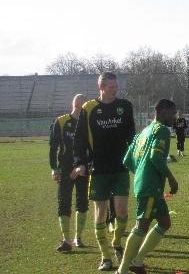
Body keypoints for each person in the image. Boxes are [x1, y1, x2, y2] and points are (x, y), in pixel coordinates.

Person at [71, 72, 136, 271]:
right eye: (110, 87)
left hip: (120, 167)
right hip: (98, 169)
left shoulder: (124, 106)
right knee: (100, 212)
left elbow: (131, 136)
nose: (114, 89)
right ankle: (105, 256)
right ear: (101, 87)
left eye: (116, 86)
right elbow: (79, 140)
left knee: (122, 210)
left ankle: (116, 242)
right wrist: (80, 163)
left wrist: (135, 157)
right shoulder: (89, 108)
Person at [116, 99, 179, 274]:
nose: (175, 117)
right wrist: (171, 178)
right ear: (164, 111)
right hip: (150, 186)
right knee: (142, 225)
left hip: (147, 184)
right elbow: (155, 157)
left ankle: (137, 262)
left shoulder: (143, 132)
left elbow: (127, 160)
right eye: (173, 113)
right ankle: (122, 270)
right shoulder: (161, 130)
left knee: (165, 222)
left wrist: (141, 173)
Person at [49, 93, 90, 252]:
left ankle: (78, 238)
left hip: (83, 167)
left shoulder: (88, 123)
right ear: (78, 105)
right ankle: (66, 239)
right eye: (85, 106)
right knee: (63, 201)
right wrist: (54, 167)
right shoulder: (61, 121)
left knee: (82, 201)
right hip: (65, 168)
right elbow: (53, 146)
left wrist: (83, 165)